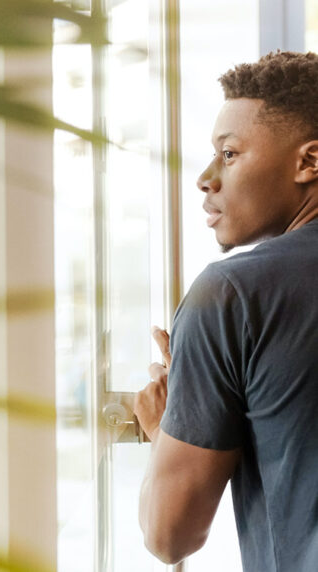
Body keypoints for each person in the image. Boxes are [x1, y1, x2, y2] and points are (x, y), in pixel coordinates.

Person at [133, 50, 318, 571]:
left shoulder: (233, 293)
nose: (206, 178)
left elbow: (169, 535)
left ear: (309, 162)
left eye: (229, 154)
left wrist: (167, 429)